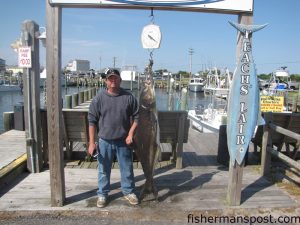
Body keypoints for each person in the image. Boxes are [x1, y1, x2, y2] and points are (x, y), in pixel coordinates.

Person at [88, 68, 139, 208]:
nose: (113, 81)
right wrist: (92, 143)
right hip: (104, 141)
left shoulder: (129, 97)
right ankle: (102, 194)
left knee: (127, 169)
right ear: (106, 81)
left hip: (123, 141)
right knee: (103, 170)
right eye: (110, 78)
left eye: (115, 78)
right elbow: (92, 121)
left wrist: (130, 134)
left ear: (120, 80)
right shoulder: (99, 98)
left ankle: (128, 191)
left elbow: (137, 117)